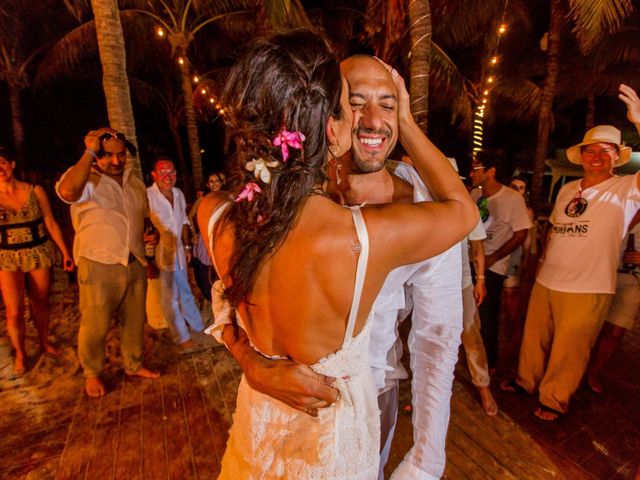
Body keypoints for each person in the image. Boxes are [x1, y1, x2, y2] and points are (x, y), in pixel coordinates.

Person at [198, 30, 477, 479]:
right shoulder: (368, 235)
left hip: (292, 418)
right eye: (352, 104)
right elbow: (462, 211)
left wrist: (426, 460)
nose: (369, 119)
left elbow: (438, 337)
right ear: (330, 125)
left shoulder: (218, 214)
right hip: (326, 433)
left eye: (388, 103)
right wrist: (252, 364)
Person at [501, 118, 640, 421]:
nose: (597, 157)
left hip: (589, 285)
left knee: (571, 348)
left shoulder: (626, 189)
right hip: (550, 278)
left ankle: (554, 398)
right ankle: (526, 381)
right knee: (534, 337)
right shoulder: (568, 189)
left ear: (618, 156)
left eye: (607, 151)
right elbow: (554, 230)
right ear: (582, 155)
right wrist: (541, 263)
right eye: (591, 151)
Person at [56, 128, 160, 397]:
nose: (116, 161)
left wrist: (152, 235)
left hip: (134, 261)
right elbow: (67, 191)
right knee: (95, 324)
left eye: (121, 155)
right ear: (97, 156)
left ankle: (134, 364)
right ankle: (92, 372)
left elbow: (143, 219)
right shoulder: (85, 181)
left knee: (135, 321)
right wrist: (89, 152)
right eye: (108, 156)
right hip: (99, 263)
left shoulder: (134, 182)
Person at [0, 147, 74, 374]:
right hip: (6, 256)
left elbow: (50, 222)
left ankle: (43, 341)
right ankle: (20, 353)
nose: (0, 169)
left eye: (2, 163)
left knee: (40, 301)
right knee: (14, 311)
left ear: (11, 164)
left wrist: (65, 252)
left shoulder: (35, 191)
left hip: (37, 250)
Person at [469, 151, 533, 372]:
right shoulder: (475, 195)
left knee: (487, 317)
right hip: (472, 263)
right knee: (468, 314)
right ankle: (470, 357)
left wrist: (493, 258)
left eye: (476, 169)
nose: (471, 173)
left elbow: (521, 232)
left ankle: (489, 364)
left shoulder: (511, 199)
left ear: (491, 171)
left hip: (493, 267)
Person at [147, 157, 204, 348]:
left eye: (171, 172)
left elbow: (184, 223)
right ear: (154, 175)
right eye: (162, 172)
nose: (167, 176)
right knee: (170, 297)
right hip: (162, 253)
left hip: (179, 251)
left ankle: (197, 326)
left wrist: (187, 247)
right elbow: (141, 223)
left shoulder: (178, 193)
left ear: (176, 175)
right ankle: (182, 337)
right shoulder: (147, 196)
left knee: (186, 291)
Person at [587, 210, 640, 393]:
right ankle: (577, 367)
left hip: (632, 279)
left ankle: (594, 372)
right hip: (601, 273)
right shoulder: (620, 208)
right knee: (590, 325)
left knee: (616, 331)